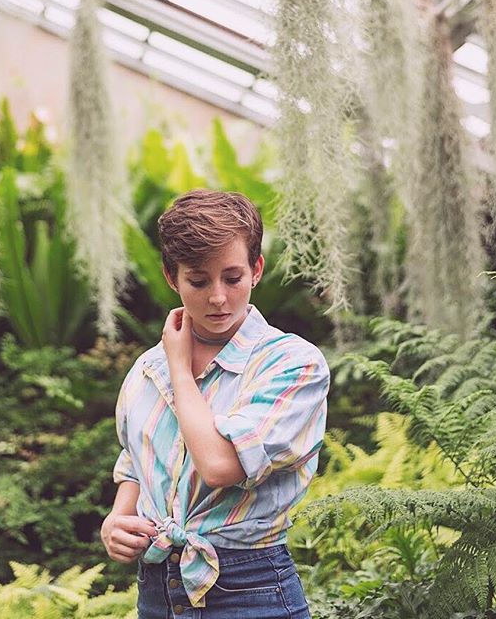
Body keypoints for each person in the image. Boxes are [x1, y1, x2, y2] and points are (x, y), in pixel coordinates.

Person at [100, 189, 330, 618]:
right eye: (199, 281)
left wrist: (181, 370)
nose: (218, 298)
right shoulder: (147, 369)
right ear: (172, 277)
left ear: (256, 269)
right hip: (158, 590)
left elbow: (221, 465)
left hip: (250, 589)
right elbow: (136, 459)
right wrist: (116, 521)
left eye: (233, 277)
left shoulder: (293, 364)